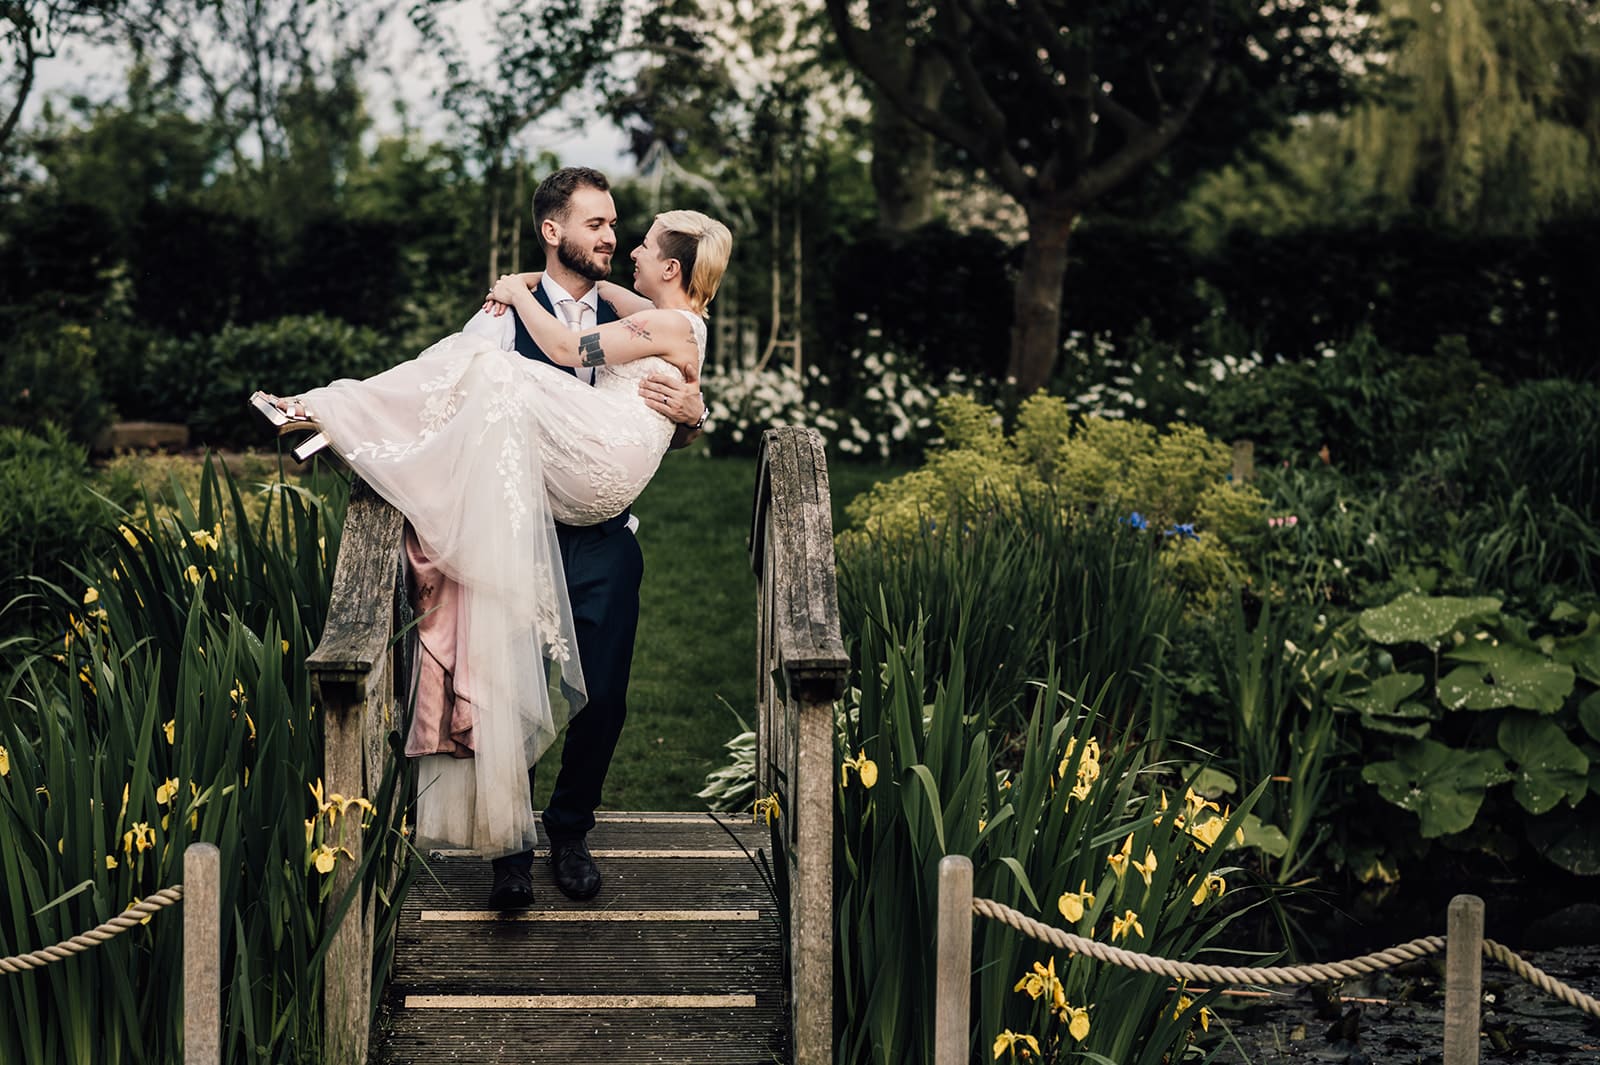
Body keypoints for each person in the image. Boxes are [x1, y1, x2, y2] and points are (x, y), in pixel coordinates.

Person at [254, 171, 728, 910]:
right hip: (516, 524)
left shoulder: (614, 304)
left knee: (603, 698)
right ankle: (511, 848)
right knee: (503, 688)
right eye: (598, 225)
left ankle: (571, 829)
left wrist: (697, 412)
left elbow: (664, 375)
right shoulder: (499, 317)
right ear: (553, 231)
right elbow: (442, 388)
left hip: (600, 534)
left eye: (619, 228)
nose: (612, 238)